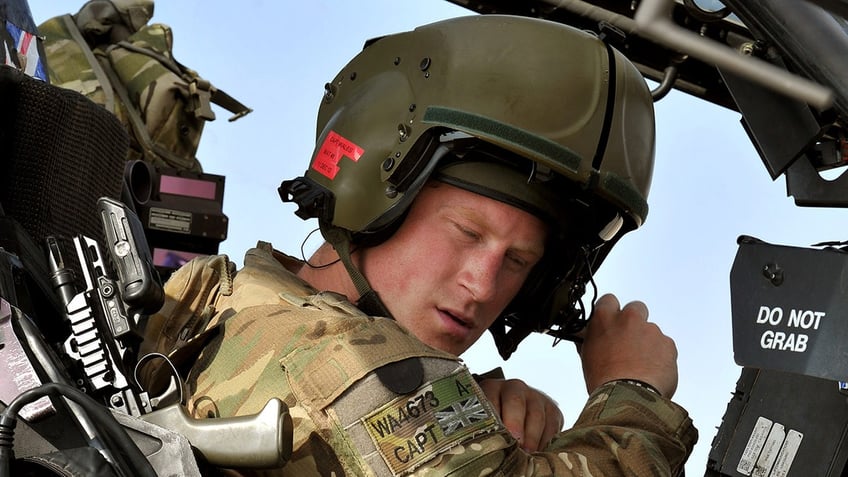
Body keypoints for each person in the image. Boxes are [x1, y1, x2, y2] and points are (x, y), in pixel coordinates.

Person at [139, 13, 697, 476]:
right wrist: (631, 390)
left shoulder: (238, 309)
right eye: (466, 233)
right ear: (369, 199)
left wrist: (471, 408)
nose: (481, 285)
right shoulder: (334, 359)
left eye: (518, 261)